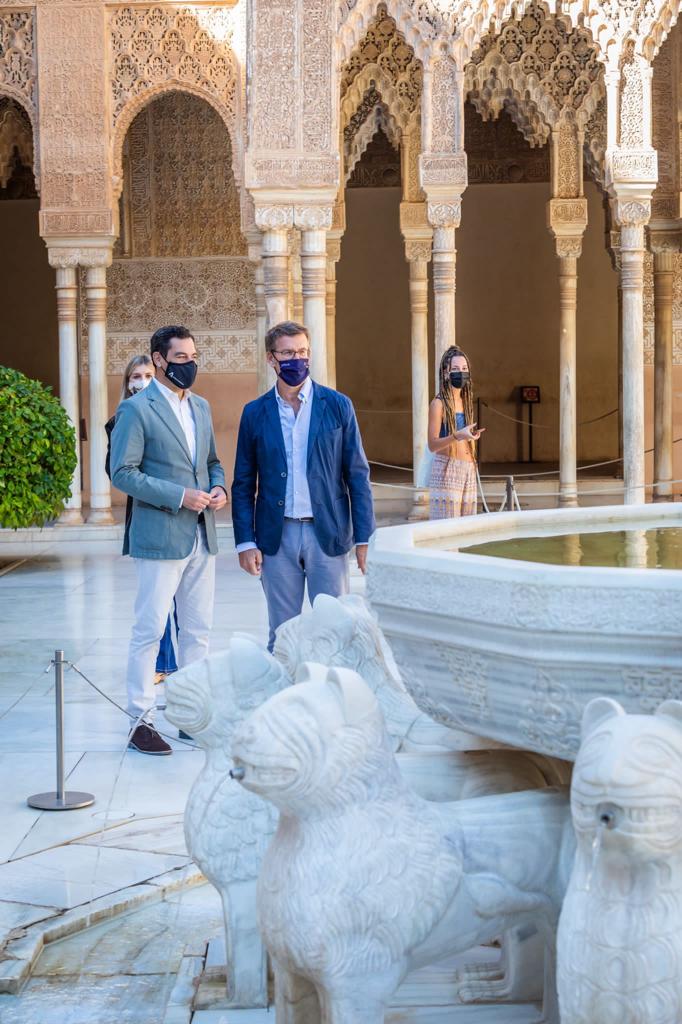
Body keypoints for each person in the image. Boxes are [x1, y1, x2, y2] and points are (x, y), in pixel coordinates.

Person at [111, 326, 227, 755]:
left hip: (202, 534)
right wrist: (179, 496)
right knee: (150, 630)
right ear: (159, 359)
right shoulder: (136, 410)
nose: (189, 364)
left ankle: (189, 716)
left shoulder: (201, 406)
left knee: (198, 631)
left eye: (193, 356)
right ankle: (141, 722)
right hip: (160, 534)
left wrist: (219, 489)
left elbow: (213, 462)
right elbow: (122, 473)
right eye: (180, 357)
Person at [232, 320, 375, 652]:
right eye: (287, 353)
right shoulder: (255, 413)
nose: (296, 360)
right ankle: (284, 700)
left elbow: (357, 474)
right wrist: (244, 542)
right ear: (272, 359)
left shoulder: (338, 406)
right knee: (283, 635)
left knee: (337, 633)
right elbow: (242, 483)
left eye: (302, 352)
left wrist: (365, 537)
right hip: (276, 537)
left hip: (327, 534)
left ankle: (334, 700)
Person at [104, 355, 177, 683]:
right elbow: (115, 470)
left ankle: (171, 663)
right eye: (136, 375)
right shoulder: (119, 421)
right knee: (156, 601)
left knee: (180, 603)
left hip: (180, 515)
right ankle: (161, 663)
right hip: (148, 516)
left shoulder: (178, 416)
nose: (142, 380)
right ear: (127, 382)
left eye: (149, 374)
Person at [427, 346, 484, 520]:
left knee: (465, 531)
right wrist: (458, 436)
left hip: (468, 469)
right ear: (446, 373)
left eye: (465, 369)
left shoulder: (465, 400)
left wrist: (471, 436)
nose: (462, 373)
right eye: (456, 369)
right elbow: (432, 444)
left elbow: (464, 434)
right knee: (446, 531)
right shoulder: (439, 403)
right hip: (447, 469)